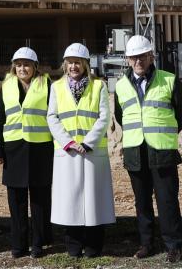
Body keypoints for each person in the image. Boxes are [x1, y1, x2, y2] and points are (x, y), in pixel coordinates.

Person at [114, 35, 182, 263]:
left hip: (162, 150)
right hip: (135, 150)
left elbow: (181, 114)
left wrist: (164, 134)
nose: (139, 61)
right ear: (128, 60)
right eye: (134, 57)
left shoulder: (168, 80)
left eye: (143, 56)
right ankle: (146, 243)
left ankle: (173, 245)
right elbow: (121, 116)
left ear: (151, 57)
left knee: (167, 199)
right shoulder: (120, 86)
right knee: (142, 201)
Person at [47, 43, 115, 259]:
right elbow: (52, 117)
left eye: (78, 62)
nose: (74, 67)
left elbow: (104, 116)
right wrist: (68, 142)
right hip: (68, 153)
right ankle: (74, 246)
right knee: (70, 201)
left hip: (92, 152)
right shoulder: (56, 87)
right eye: (70, 63)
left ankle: (94, 247)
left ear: (86, 64)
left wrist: (88, 142)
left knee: (95, 201)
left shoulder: (99, 86)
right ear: (65, 65)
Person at [0, 47, 54, 259]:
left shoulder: (47, 84)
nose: (22, 68)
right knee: (16, 201)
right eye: (18, 65)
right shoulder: (7, 85)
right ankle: (18, 244)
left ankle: (38, 243)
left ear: (35, 67)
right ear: (13, 67)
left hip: (40, 148)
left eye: (26, 64)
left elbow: (54, 116)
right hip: (14, 149)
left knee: (39, 201)